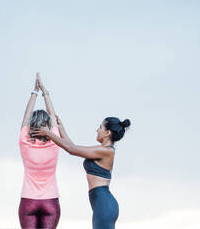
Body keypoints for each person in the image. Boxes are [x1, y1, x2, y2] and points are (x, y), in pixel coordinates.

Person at [32, 105, 130, 229]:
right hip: (101, 203)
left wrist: (48, 133)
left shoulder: (106, 151)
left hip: (104, 204)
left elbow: (71, 149)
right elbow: (72, 146)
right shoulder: (101, 150)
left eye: (100, 127)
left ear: (107, 133)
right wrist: (61, 129)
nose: (97, 130)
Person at [18, 73, 61, 229]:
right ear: (49, 126)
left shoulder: (24, 140)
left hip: (28, 201)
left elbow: (26, 116)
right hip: (51, 201)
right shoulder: (55, 140)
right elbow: (53, 115)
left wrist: (34, 92)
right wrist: (45, 92)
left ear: (31, 125)